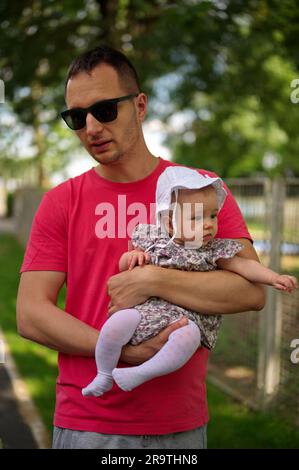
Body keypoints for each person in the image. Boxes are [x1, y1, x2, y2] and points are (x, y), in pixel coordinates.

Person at [16, 45, 266, 450]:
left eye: (105, 110)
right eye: (77, 118)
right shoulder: (62, 200)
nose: (92, 127)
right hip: (89, 424)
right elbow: (31, 315)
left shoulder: (200, 190)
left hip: (179, 426)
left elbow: (250, 291)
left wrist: (152, 279)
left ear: (140, 105)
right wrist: (122, 353)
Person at [82, 166, 298, 398]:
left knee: (188, 339)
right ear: (171, 223)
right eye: (196, 217)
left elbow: (245, 266)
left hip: (188, 320)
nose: (208, 224)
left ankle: (142, 373)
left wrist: (274, 277)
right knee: (116, 325)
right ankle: (103, 374)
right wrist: (132, 258)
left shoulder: (214, 250)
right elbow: (127, 268)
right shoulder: (155, 240)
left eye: (212, 216)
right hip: (147, 313)